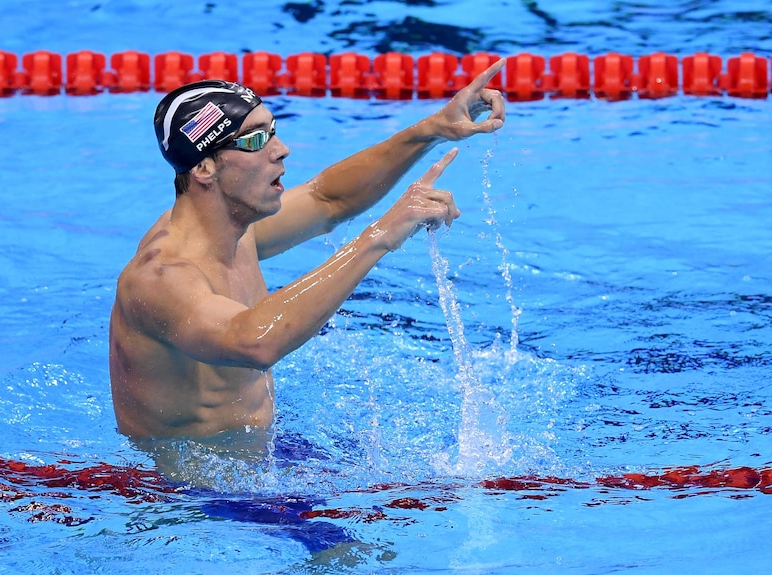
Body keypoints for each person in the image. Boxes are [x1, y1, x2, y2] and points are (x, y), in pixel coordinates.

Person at [109, 59, 507, 448]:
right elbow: (255, 342)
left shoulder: (232, 227)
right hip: (193, 501)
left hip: (257, 470)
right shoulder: (159, 278)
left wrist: (431, 130)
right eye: (255, 140)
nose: (281, 150)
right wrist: (383, 233)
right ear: (204, 168)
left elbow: (329, 198)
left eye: (273, 131)